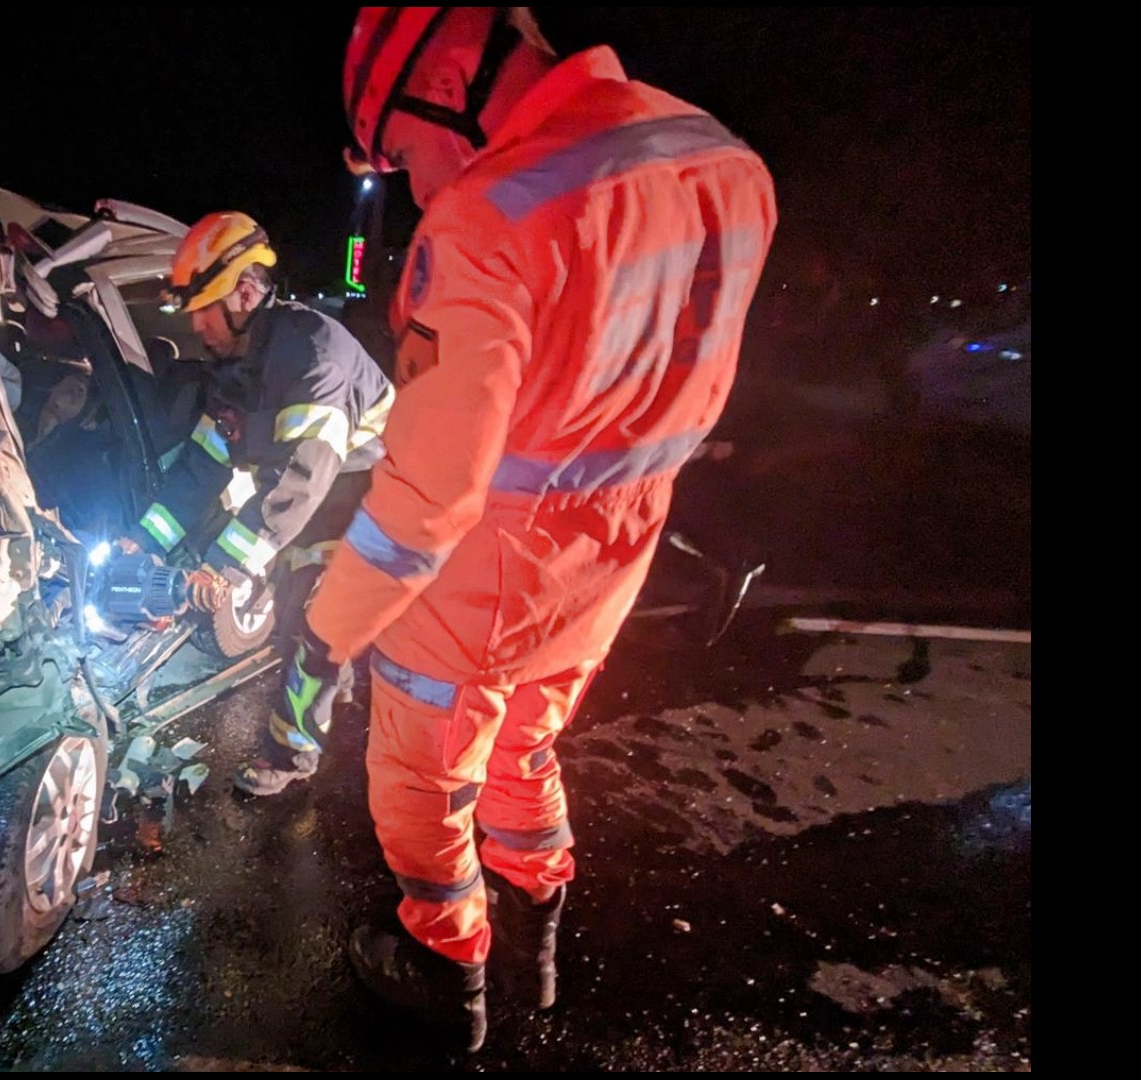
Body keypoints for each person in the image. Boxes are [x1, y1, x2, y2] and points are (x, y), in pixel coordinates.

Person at [298, 7, 779, 1050]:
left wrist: (327, 629)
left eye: (405, 152)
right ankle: (538, 936)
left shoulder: (489, 213)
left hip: (483, 574)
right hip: (610, 563)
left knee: (424, 777)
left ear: (451, 73)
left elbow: (430, 494)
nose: (417, 184)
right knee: (527, 749)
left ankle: (446, 969)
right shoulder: (726, 164)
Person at [115, 211, 394, 794]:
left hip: (371, 488)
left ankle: (292, 755)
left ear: (246, 292)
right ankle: (331, 671)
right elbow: (203, 466)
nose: (197, 324)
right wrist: (144, 538)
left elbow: (303, 474)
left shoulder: (315, 355)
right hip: (310, 492)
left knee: (309, 622)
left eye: (205, 307)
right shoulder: (233, 369)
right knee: (302, 608)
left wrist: (226, 565)